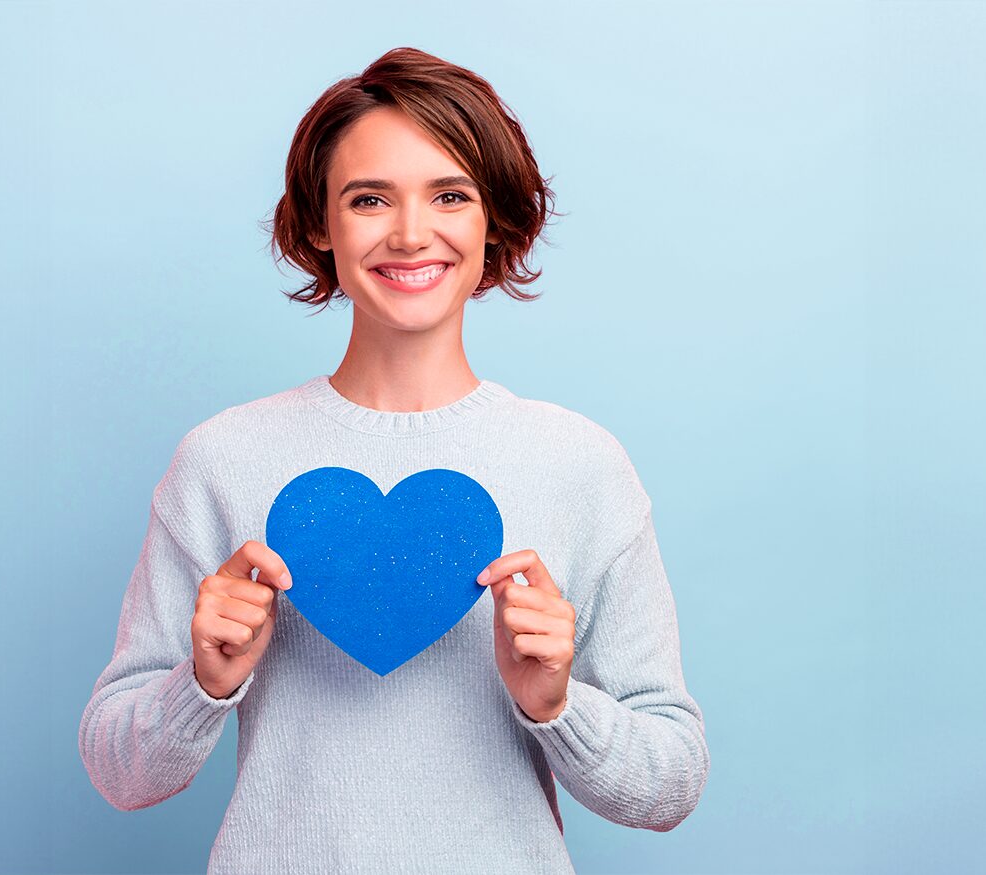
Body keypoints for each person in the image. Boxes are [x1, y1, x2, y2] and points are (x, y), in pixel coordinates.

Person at [79, 47, 708, 874]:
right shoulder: (222, 458)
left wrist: (556, 704)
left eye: (450, 194)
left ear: (496, 220)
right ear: (318, 223)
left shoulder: (578, 463)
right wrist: (201, 682)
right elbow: (118, 772)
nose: (412, 233)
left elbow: (671, 784)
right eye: (369, 198)